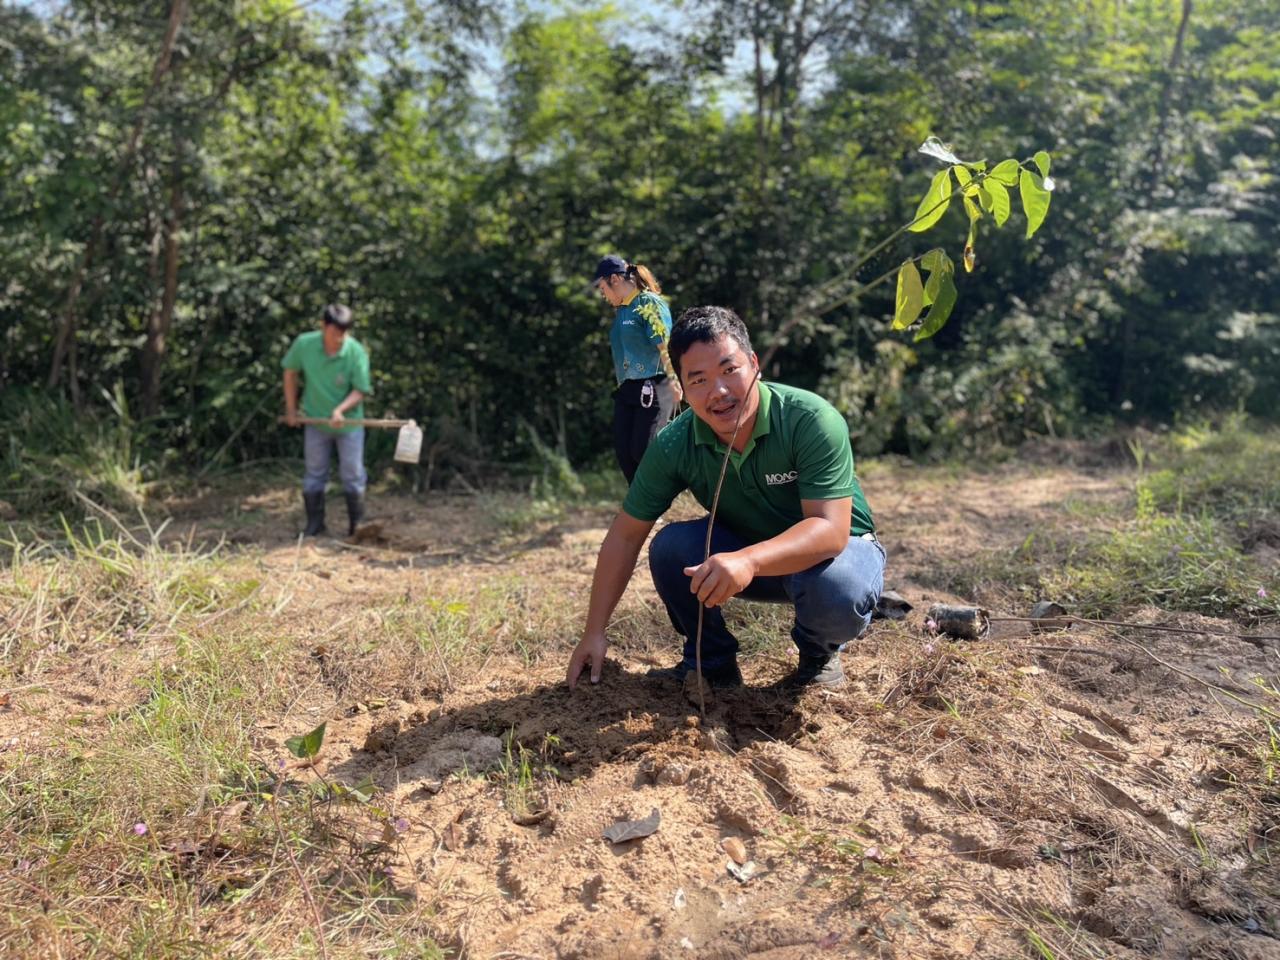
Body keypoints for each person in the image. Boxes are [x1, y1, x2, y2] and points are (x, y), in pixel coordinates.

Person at [566, 305, 884, 691]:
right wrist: (594, 632)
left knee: (838, 586)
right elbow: (625, 536)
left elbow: (831, 532)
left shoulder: (809, 419)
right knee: (670, 549)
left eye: (729, 370)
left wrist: (748, 560)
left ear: (753, 364)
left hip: (834, 557)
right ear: (681, 388)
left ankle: (819, 655)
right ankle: (710, 664)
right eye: (698, 379)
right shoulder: (675, 443)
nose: (718, 391)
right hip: (742, 554)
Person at [282, 304, 372, 537]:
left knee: (352, 473)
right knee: (314, 473)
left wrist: (340, 410)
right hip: (315, 420)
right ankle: (315, 524)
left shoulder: (356, 352)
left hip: (349, 423)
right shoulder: (304, 344)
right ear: (323, 326)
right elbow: (290, 372)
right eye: (335, 332)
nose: (339, 338)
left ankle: (356, 526)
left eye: (344, 332)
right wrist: (291, 410)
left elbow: (361, 390)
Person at [591, 254, 682, 482]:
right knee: (624, 453)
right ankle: (641, 511)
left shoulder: (648, 303)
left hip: (655, 384)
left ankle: (665, 495)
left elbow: (664, 344)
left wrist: (674, 380)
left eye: (603, 288)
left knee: (641, 451)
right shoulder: (622, 310)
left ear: (614, 279)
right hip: (628, 389)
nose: (603, 295)